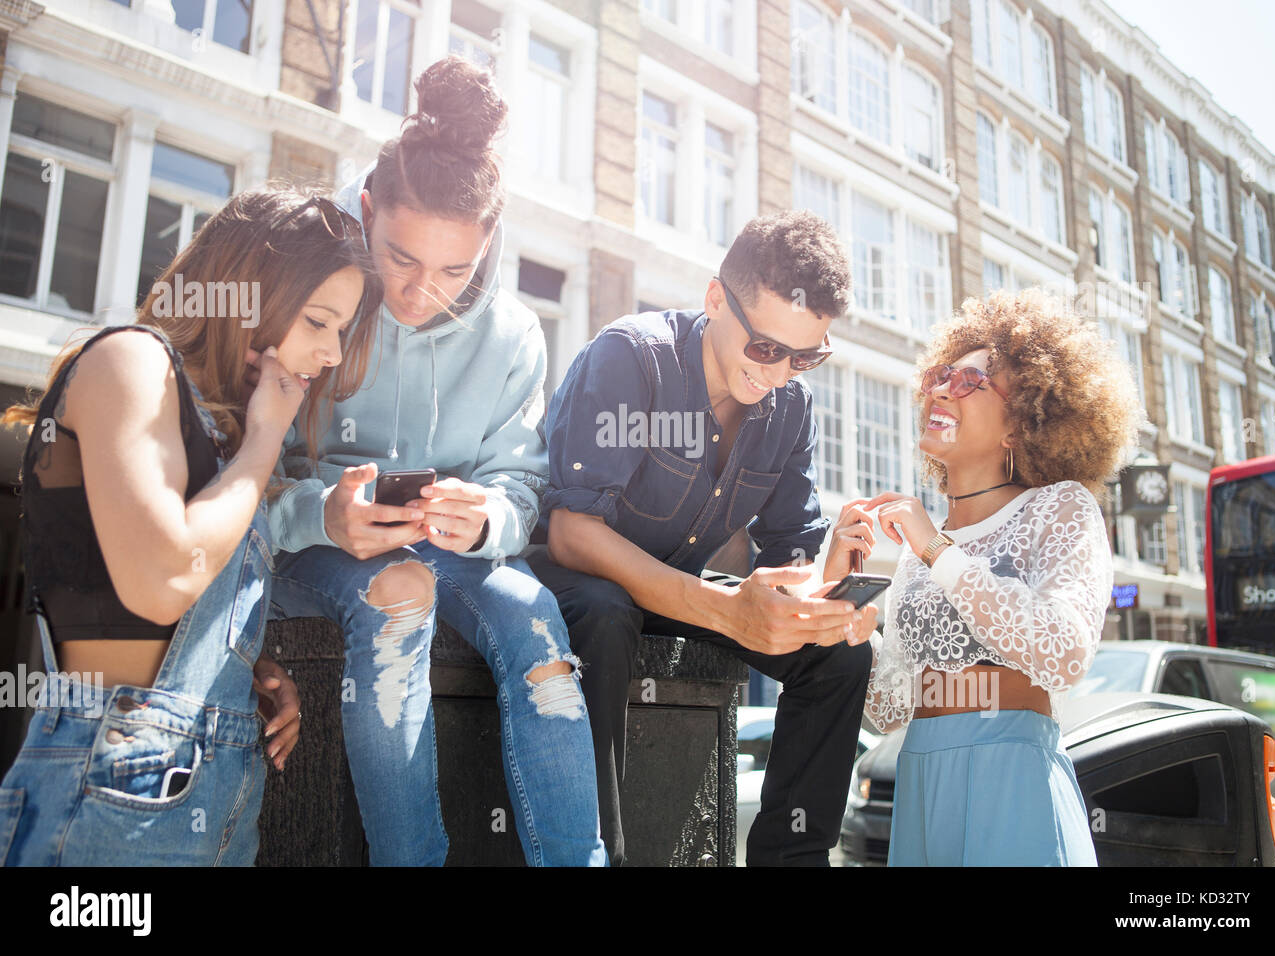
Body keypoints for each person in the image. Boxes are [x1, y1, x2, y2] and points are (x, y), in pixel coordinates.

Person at [265, 56, 605, 866]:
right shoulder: (308, 290)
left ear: (487, 239)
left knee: (536, 621)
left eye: (454, 270)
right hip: (313, 551)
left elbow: (522, 488)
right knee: (397, 598)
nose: (422, 292)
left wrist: (487, 515)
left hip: (455, 554)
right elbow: (239, 466)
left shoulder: (516, 333)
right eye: (402, 258)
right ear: (370, 209)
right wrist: (322, 513)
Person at [0, 187, 382, 865]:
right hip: (114, 796)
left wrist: (235, 671)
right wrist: (265, 442)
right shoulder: (130, 361)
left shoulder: (229, 437)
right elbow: (163, 576)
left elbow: (157, 603)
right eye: (320, 321)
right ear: (250, 289)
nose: (329, 354)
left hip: (223, 794)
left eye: (341, 332)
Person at [530, 211, 876, 866]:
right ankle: (596, 854)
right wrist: (724, 607)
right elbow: (573, 533)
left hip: (680, 587)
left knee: (842, 658)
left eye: (805, 357)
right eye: (766, 348)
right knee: (607, 611)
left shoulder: (792, 407)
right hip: (575, 578)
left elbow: (789, 553)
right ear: (716, 298)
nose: (777, 376)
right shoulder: (632, 356)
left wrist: (828, 602)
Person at [832, 288, 1142, 866]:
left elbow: (1063, 651)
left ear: (1018, 428)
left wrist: (937, 551)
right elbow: (893, 707)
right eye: (943, 375)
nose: (944, 387)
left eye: (972, 381)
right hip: (921, 782)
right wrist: (847, 616)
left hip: (1013, 778)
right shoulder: (917, 556)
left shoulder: (1060, 509)